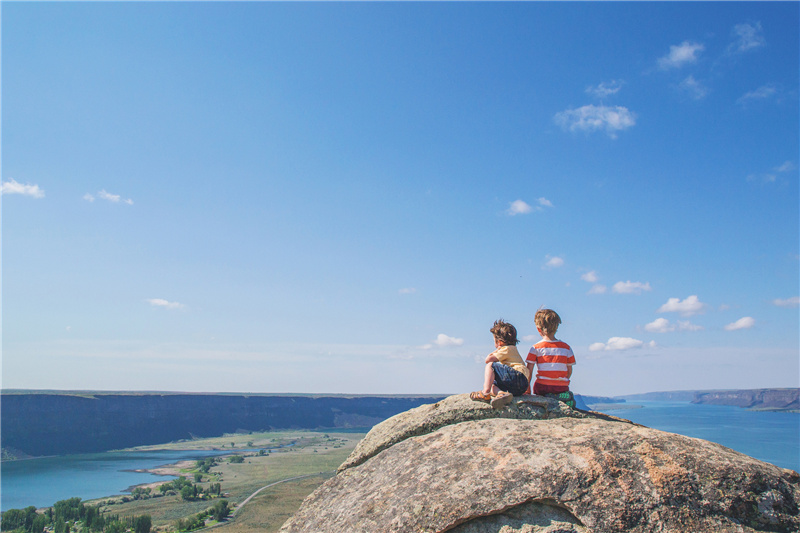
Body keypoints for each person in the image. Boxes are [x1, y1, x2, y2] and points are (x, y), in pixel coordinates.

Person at [471, 319, 531, 409]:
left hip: (516, 376)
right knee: (494, 386)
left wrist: (496, 350)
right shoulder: (514, 350)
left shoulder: (506, 348)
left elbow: (488, 360)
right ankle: (501, 393)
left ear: (499, 342)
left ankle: (485, 392)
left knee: (490, 365)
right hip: (521, 385)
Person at [526, 309, 576, 406]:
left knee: (539, 389)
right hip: (561, 387)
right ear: (557, 327)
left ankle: (550, 398)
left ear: (538, 329)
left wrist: (527, 389)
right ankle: (564, 399)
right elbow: (569, 370)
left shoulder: (535, 348)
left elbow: (529, 371)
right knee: (566, 394)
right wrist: (561, 382)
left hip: (542, 387)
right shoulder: (566, 348)